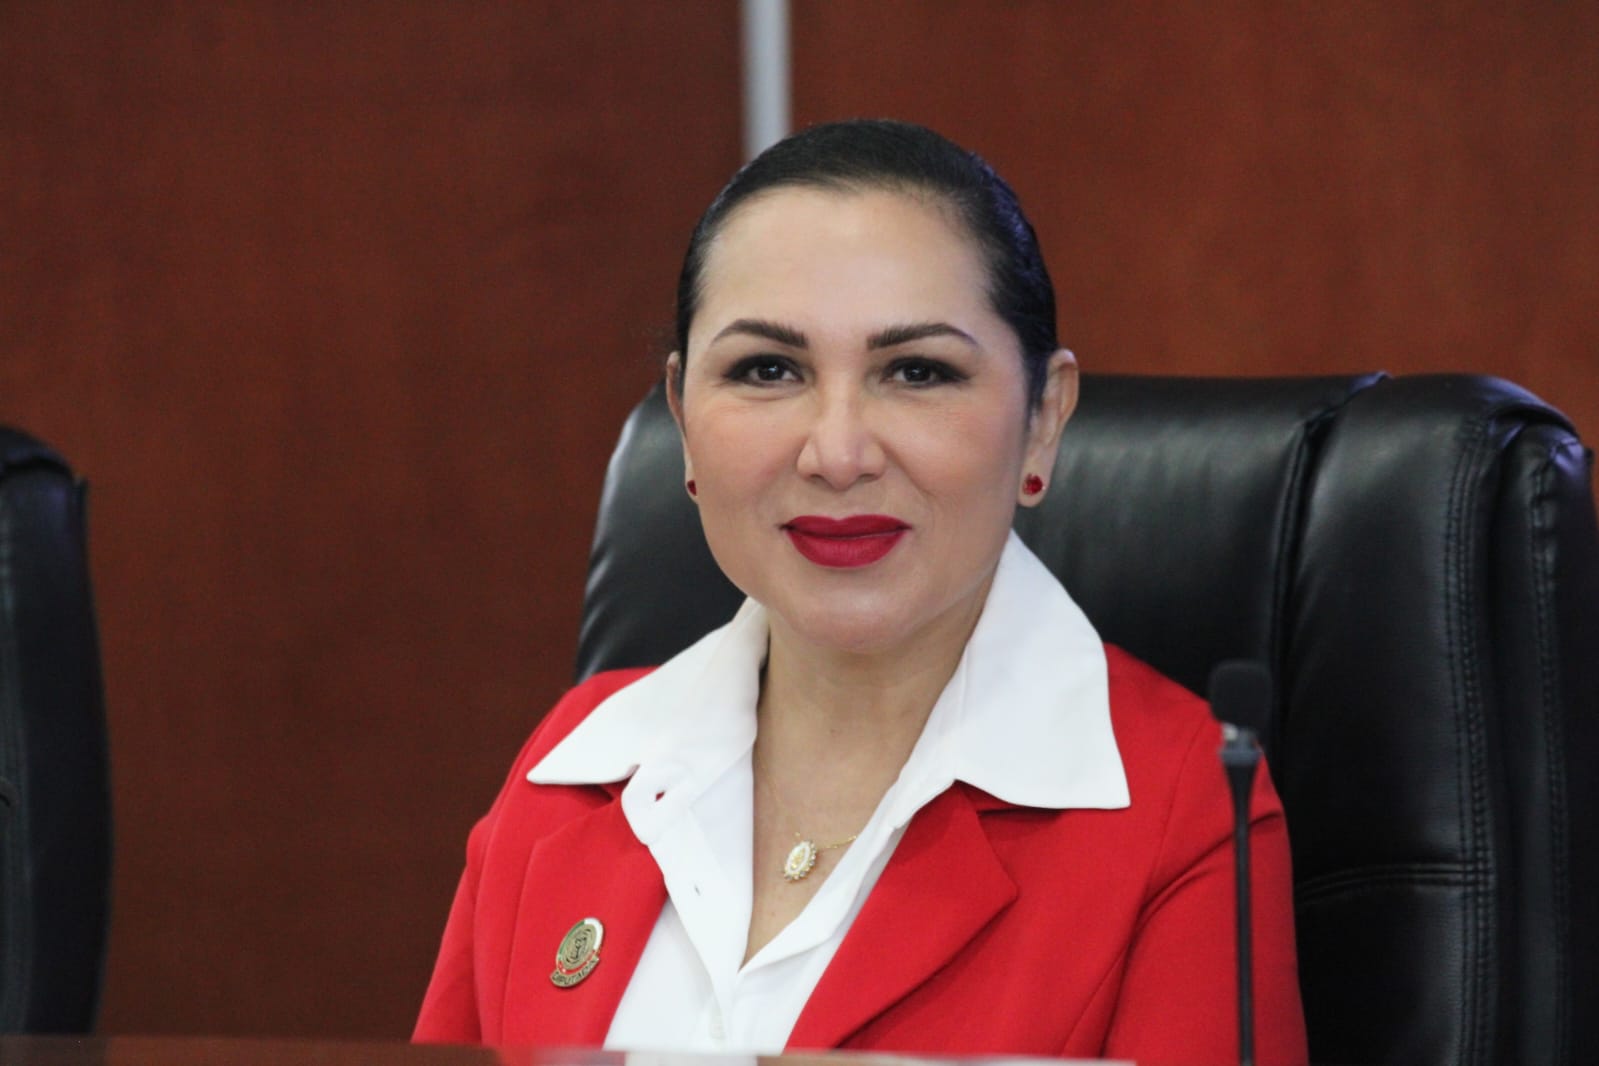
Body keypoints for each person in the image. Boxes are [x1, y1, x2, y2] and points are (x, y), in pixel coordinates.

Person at [414, 119, 1307, 1063]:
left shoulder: (1184, 809)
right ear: (681, 417)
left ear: (1043, 418)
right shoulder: (574, 768)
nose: (837, 454)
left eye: (916, 372)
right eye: (767, 370)